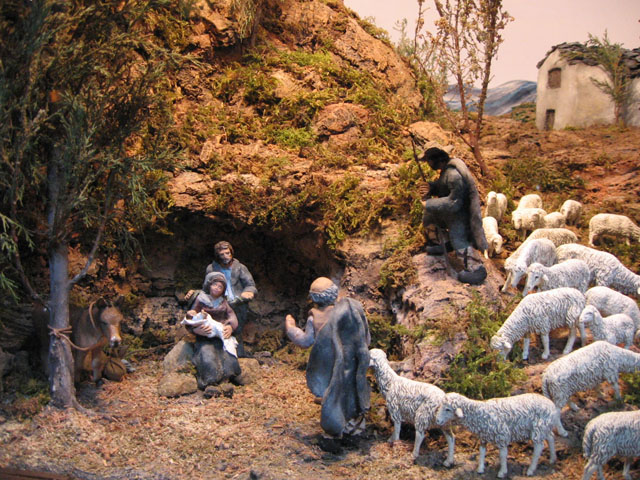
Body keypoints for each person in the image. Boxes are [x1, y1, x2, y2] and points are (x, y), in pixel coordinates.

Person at [285, 277, 371, 445]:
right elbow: (366, 338)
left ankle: (335, 432)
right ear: (334, 292)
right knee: (351, 392)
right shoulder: (351, 311)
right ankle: (354, 429)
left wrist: (290, 328)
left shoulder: (315, 318)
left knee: (333, 394)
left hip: (331, 364)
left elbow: (305, 341)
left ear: (313, 298)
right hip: (351, 362)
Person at [419, 143, 488, 285]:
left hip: (458, 215)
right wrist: (431, 187)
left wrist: (430, 203)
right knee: (429, 218)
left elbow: (455, 202)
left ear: (436, 158)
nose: (428, 164)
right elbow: (442, 187)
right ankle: (443, 242)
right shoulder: (445, 172)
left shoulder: (453, 175)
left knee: (459, 240)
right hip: (448, 213)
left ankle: (476, 268)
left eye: (429, 160)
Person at [185, 271, 242, 389]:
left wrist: (230, 327)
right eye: (215, 285)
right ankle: (209, 382)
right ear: (209, 285)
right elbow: (191, 316)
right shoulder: (201, 299)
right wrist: (196, 329)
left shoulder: (223, 302)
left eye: (220, 287)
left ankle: (226, 380)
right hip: (205, 337)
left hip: (220, 336)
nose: (217, 288)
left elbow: (232, 315)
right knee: (208, 357)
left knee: (228, 356)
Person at [201, 241, 257, 357]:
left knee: (236, 330)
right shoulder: (212, 269)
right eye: (222, 254)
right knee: (219, 329)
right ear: (217, 255)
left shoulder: (240, 268)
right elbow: (206, 288)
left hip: (237, 303)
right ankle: (220, 354)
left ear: (232, 253)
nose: (226, 256)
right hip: (219, 303)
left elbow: (250, 285)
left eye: (227, 253)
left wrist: (248, 292)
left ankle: (239, 355)